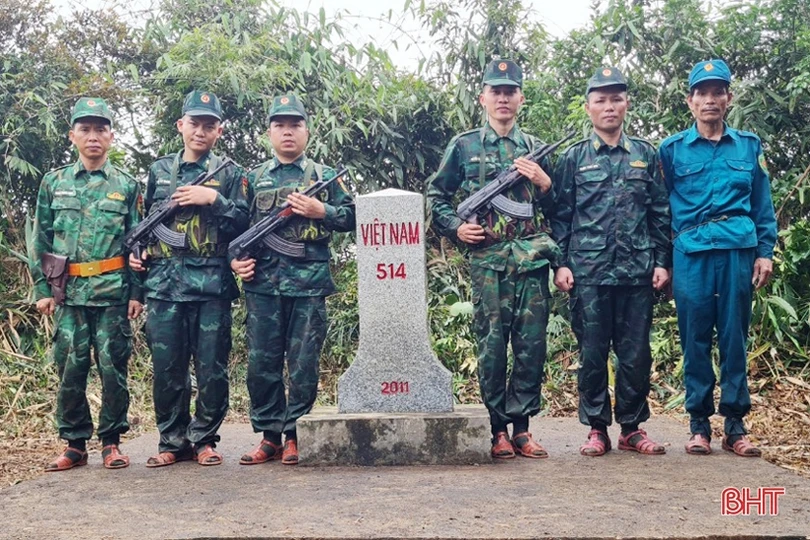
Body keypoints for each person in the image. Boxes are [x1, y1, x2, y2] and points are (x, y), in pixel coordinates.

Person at [427, 60, 559, 459]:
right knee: (492, 345)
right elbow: (436, 196)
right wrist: (456, 229)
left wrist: (544, 183)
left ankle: (522, 428)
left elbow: (558, 208)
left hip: (531, 260)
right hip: (487, 262)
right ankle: (497, 429)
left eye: (510, 91)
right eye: (495, 91)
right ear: (482, 97)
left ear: (520, 97)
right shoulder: (464, 146)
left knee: (530, 345)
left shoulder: (534, 149)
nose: (503, 98)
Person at [658, 60, 777, 457]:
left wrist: (764, 253)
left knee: (733, 337)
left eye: (717, 92)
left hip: (737, 252)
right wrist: (666, 261)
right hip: (691, 252)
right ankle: (698, 426)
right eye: (702, 93)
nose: (710, 100)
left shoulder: (748, 145)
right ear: (690, 101)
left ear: (728, 98)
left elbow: (762, 204)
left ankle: (736, 425)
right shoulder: (672, 150)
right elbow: (661, 208)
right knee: (693, 338)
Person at [551, 67, 671, 456]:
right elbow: (561, 215)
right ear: (588, 107)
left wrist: (662, 262)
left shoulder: (645, 155)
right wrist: (561, 263)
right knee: (592, 352)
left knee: (636, 354)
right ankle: (597, 428)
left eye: (616, 99)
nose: (609, 106)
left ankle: (632, 428)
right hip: (588, 272)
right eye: (600, 100)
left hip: (637, 271)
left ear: (626, 104)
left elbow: (659, 212)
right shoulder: (574, 158)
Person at [232, 94, 355, 466]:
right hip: (263, 286)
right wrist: (235, 262)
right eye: (280, 125)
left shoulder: (325, 176)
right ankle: (269, 435)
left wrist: (323, 210)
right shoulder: (251, 178)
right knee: (262, 363)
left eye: (295, 125)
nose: (288, 132)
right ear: (269, 131)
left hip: (308, 284)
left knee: (303, 363)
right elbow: (234, 231)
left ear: (307, 130)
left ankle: (295, 434)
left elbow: (355, 217)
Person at [129, 90, 249, 467]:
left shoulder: (230, 173)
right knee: (167, 367)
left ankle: (204, 440)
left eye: (209, 125)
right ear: (181, 125)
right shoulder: (159, 170)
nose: (201, 131)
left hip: (211, 283)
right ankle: (171, 440)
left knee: (212, 367)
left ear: (219, 131)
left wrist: (212, 200)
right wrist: (140, 252)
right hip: (164, 284)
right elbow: (144, 223)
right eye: (194, 123)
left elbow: (245, 224)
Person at [30, 97, 143, 471]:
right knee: (70, 369)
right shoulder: (54, 182)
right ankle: (74, 443)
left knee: (113, 369)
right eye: (85, 129)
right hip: (69, 295)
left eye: (100, 129)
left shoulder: (126, 187)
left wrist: (136, 293)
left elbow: (137, 243)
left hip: (112, 294)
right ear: (72, 136)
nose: (93, 136)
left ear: (111, 137)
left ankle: (111, 442)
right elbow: (41, 239)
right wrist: (42, 290)